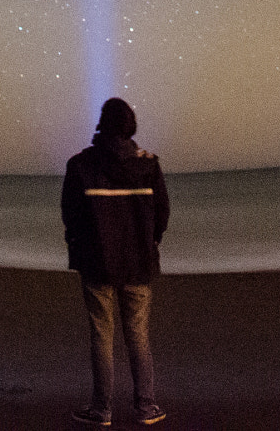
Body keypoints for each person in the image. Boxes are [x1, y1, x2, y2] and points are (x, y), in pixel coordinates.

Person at [61, 96, 169, 426]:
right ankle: (146, 407)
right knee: (138, 335)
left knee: (102, 337)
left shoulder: (80, 165)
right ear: (131, 126)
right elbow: (162, 214)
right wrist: (150, 243)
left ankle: (101, 409)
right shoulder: (148, 165)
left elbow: (71, 214)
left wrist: (78, 245)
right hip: (138, 264)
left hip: (97, 265)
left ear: (102, 124)